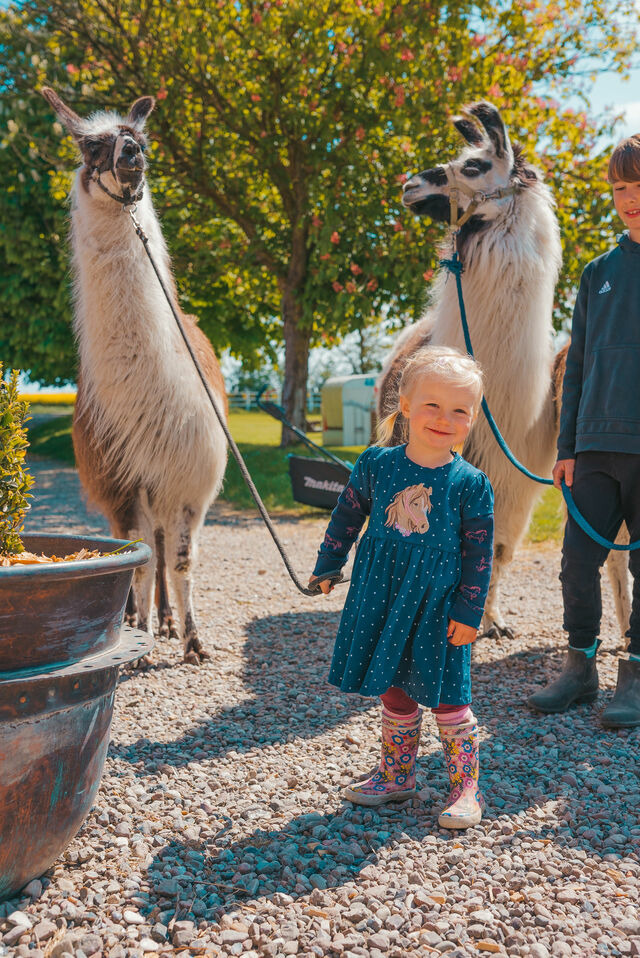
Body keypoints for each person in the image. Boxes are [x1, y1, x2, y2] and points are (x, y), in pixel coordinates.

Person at [309, 346, 494, 829]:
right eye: (432, 405)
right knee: (393, 684)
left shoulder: (470, 483)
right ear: (405, 406)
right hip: (381, 594)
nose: (444, 418)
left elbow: (478, 555)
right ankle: (397, 776)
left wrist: (469, 612)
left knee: (450, 695)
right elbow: (348, 514)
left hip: (438, 605)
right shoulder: (376, 464)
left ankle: (465, 787)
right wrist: (329, 563)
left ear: (472, 419)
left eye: (459, 410)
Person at [528, 134, 640, 727]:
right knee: (577, 561)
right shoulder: (598, 273)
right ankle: (581, 666)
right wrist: (567, 446)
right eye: (620, 187)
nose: (629, 198)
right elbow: (576, 367)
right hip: (594, 447)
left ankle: (637, 674)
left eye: (638, 185)